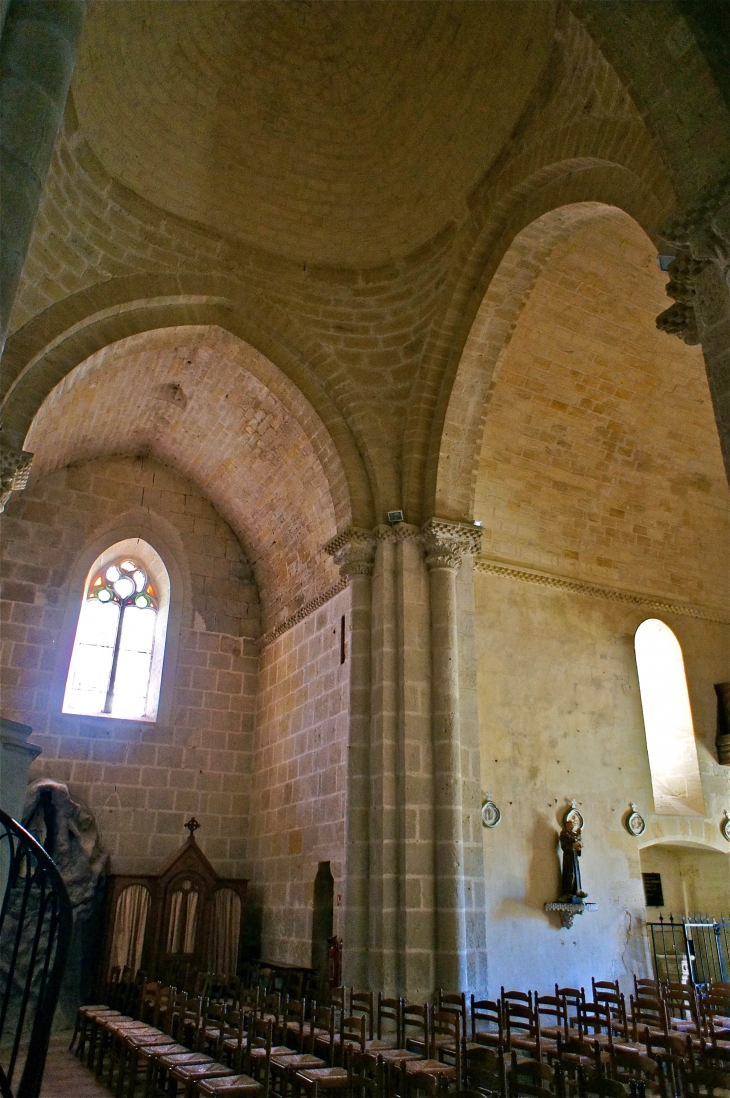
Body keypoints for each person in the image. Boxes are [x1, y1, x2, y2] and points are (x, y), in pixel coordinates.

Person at [559, 817, 588, 902]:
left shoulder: (574, 835)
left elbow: (577, 844)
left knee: (577, 875)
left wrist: (578, 849)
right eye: (570, 825)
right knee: (570, 874)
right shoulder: (564, 834)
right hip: (568, 856)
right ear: (567, 825)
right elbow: (564, 847)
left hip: (574, 856)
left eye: (573, 825)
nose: (572, 826)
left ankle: (577, 891)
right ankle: (568, 892)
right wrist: (572, 847)